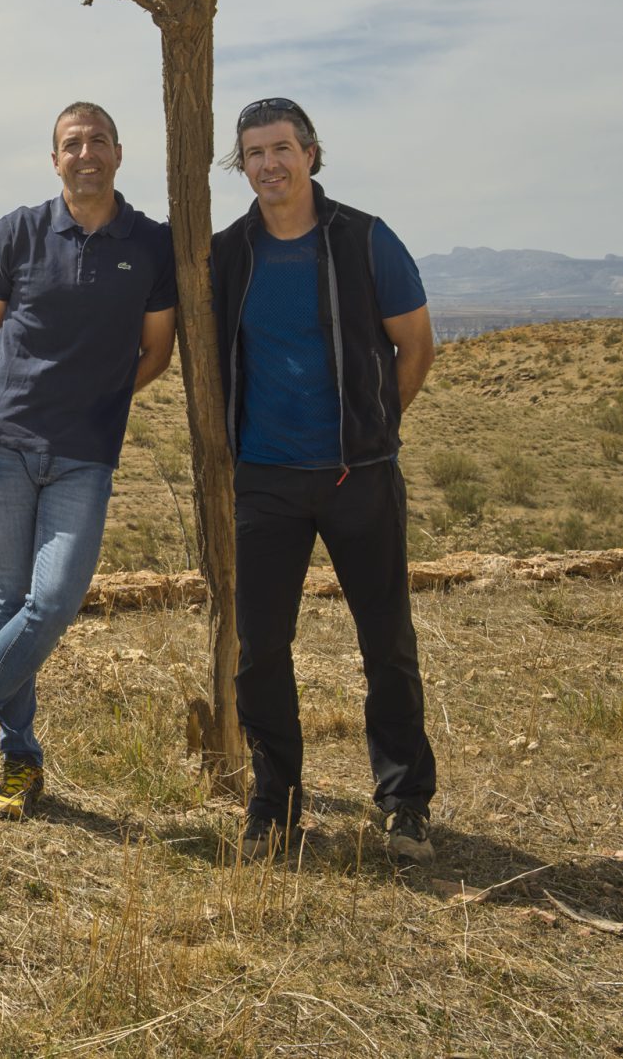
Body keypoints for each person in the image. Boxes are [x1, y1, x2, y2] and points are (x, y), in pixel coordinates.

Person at [0, 102, 176, 817]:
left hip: (85, 452)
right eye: (69, 143)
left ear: (119, 153)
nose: (83, 153)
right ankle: (20, 763)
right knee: (7, 603)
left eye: (96, 141)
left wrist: (96, 401)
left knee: (52, 601)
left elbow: (156, 350)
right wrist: (21, 403)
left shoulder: (152, 246)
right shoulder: (11, 235)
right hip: (3, 444)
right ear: (52, 158)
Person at [211, 98, 438, 863]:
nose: (268, 164)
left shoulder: (365, 239)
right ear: (239, 165)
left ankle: (404, 802)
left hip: (359, 477)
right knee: (261, 649)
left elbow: (414, 345)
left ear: (310, 152)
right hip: (266, 480)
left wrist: (371, 431)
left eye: (281, 148)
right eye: (252, 153)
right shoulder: (225, 255)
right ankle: (274, 800)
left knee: (386, 641)